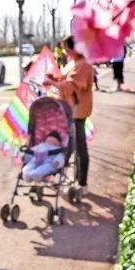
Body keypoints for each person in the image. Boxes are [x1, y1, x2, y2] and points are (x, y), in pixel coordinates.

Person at [43, 36, 94, 194]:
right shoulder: (74, 63)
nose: (64, 51)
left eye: (66, 48)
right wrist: (55, 79)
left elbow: (71, 86)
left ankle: (81, 182)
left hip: (77, 111)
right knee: (68, 145)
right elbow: (65, 80)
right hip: (68, 110)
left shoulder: (84, 65)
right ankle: (65, 177)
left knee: (78, 146)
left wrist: (53, 83)